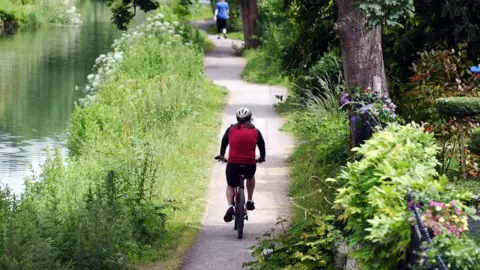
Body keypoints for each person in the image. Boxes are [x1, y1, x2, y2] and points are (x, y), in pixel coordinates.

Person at [215, 108, 266, 222]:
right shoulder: (255, 131)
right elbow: (262, 146)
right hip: (249, 165)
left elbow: (224, 142)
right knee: (250, 177)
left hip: (233, 164)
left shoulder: (230, 129)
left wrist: (222, 155)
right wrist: (261, 158)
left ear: (237, 118)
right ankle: (249, 200)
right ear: (250, 118)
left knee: (231, 185)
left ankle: (230, 206)